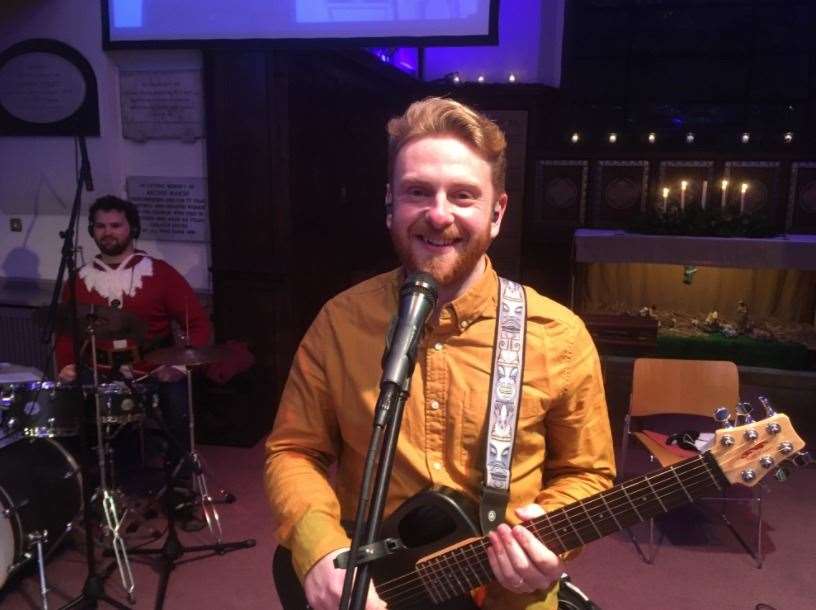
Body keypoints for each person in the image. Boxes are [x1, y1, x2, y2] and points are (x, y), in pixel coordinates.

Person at [265, 98, 615, 610]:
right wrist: (319, 551)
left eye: (464, 195)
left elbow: (588, 473)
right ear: (391, 204)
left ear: (496, 213)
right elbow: (294, 450)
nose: (439, 213)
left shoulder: (558, 335)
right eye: (417, 192)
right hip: (373, 590)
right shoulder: (340, 321)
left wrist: (551, 538)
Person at [55, 195, 211, 496]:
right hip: (98, 371)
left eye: (116, 225)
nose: (107, 232)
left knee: (177, 402)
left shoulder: (161, 273)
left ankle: (180, 488)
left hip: (151, 369)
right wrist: (66, 365)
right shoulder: (78, 280)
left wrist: (179, 366)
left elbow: (200, 325)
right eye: (100, 226)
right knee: (65, 408)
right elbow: (66, 332)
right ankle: (89, 490)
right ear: (91, 231)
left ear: (132, 228)